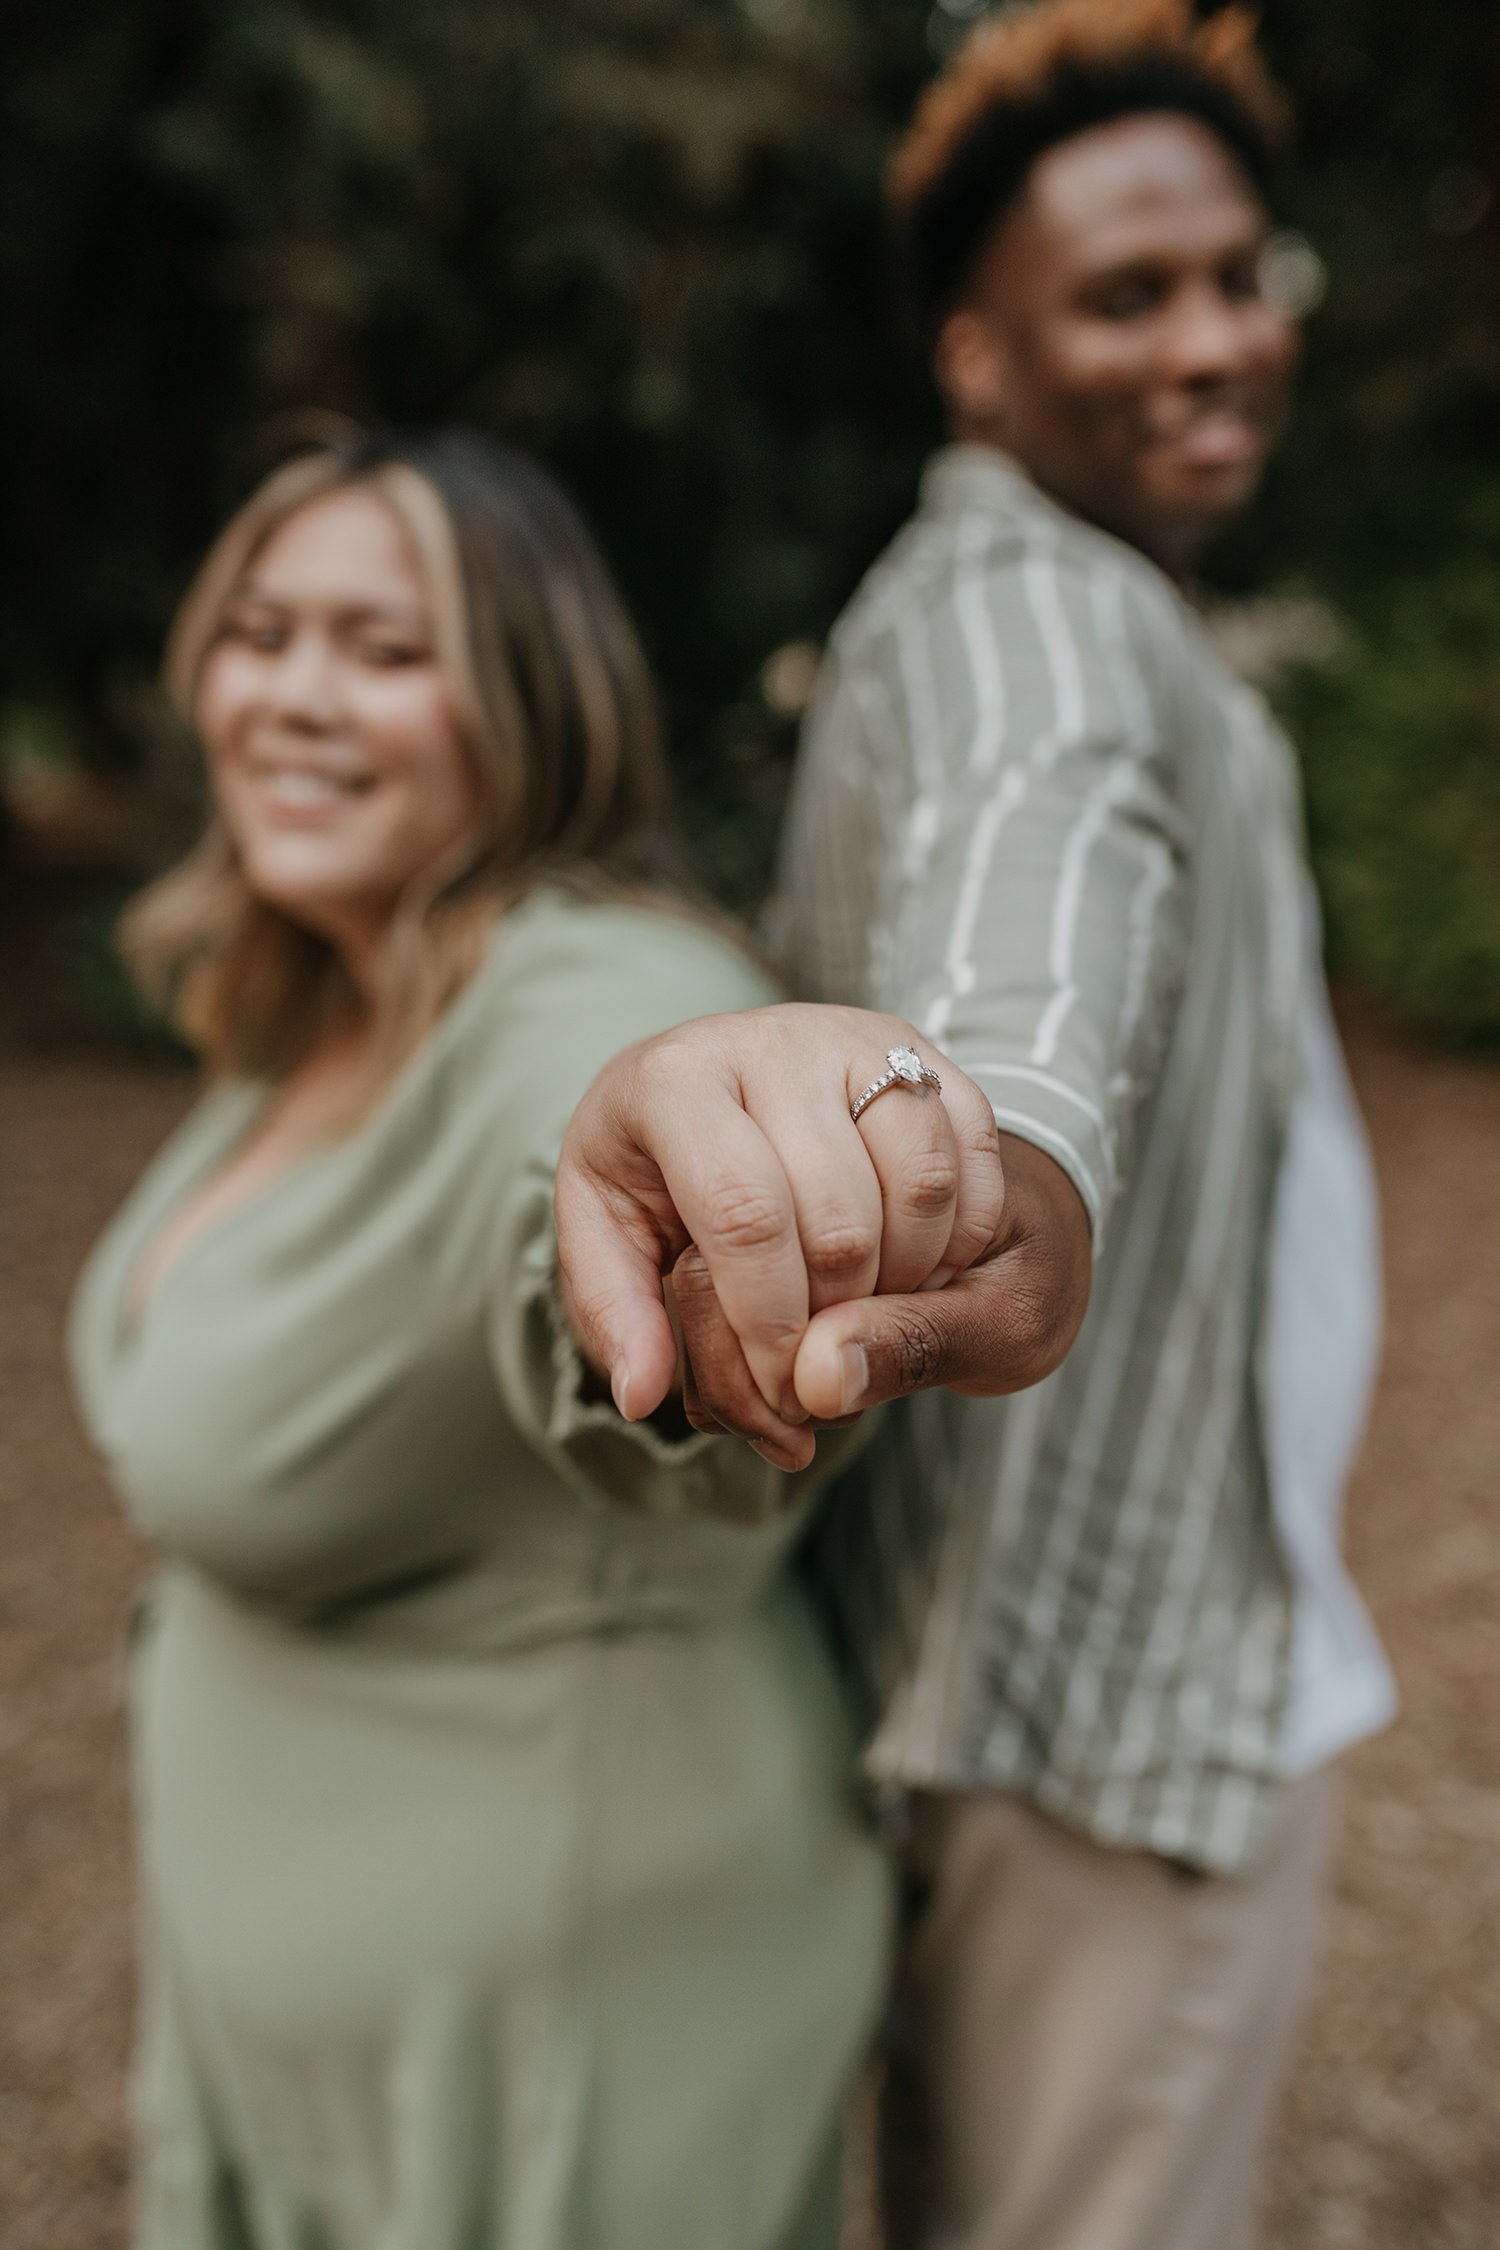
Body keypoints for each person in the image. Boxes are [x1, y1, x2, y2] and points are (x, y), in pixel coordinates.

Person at [555, 4, 1396, 2245]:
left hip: (982, 1694)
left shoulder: (1036, 606)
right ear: (977, 363)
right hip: (1110, 1739)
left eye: (1242, 275)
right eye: (1125, 297)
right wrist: (999, 1145)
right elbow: (1048, 866)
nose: (1214, 340)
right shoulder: (1041, 615)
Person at [67, 429, 905, 2250]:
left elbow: (610, 1225)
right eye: (261, 629)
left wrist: (691, 1247)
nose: (294, 695)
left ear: (538, 701)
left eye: (384, 649)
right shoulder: (332, 996)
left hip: (559, 2031)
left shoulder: (604, 987)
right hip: (305, 2023)